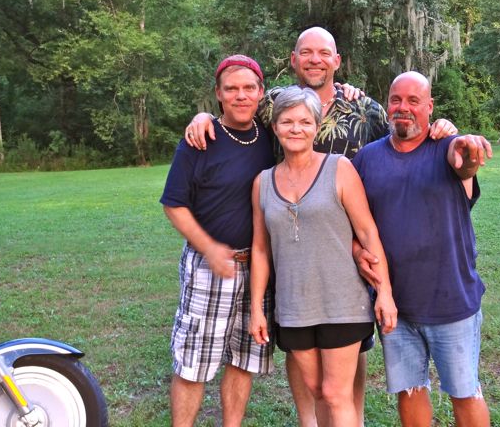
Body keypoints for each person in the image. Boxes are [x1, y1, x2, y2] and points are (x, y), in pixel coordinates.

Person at [183, 26, 457, 427]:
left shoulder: (365, 110)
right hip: (291, 263)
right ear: (293, 60)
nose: (315, 60)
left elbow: (405, 136)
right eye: (306, 52)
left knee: (343, 376)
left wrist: (442, 128)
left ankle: (351, 419)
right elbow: (235, 109)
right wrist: (203, 116)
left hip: (347, 260)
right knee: (309, 372)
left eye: (324, 53)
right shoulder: (271, 104)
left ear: (337, 61)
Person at [248, 86, 397, 427]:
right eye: (287, 121)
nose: (296, 129)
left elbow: (368, 233)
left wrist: (384, 292)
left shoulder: (339, 169)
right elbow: (260, 249)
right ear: (275, 126)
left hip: (342, 302)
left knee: (335, 394)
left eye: (304, 122)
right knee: (316, 390)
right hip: (293, 306)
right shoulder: (263, 183)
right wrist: (257, 308)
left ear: (316, 127)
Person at [352, 71, 493, 427]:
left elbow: (465, 165)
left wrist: (470, 151)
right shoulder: (367, 158)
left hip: (451, 299)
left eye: (413, 101)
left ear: (429, 107)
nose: (404, 107)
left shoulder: (447, 147)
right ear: (387, 105)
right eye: (396, 99)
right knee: (410, 390)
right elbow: (351, 219)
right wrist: (356, 251)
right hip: (395, 303)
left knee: (465, 391)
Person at [160, 55, 276, 427]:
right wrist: (209, 247)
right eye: (232, 89)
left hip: (259, 267)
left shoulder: (271, 134)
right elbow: (174, 204)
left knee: (244, 359)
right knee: (193, 363)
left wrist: (345, 89)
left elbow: (311, 104)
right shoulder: (200, 140)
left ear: (260, 92)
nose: (241, 96)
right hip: (209, 269)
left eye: (248, 88)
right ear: (218, 94)